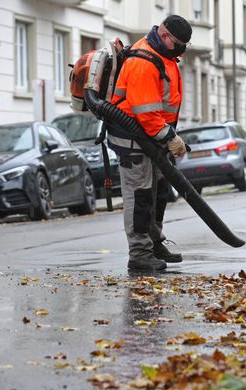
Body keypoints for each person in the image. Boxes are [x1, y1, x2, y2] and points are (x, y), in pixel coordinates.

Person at [107, 15, 192, 271]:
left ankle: (154, 244)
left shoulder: (164, 57)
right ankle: (139, 253)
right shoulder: (143, 62)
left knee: (159, 193)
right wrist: (170, 138)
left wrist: (167, 136)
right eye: (178, 43)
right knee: (140, 195)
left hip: (151, 138)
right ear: (165, 36)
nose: (181, 49)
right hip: (134, 139)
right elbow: (146, 113)